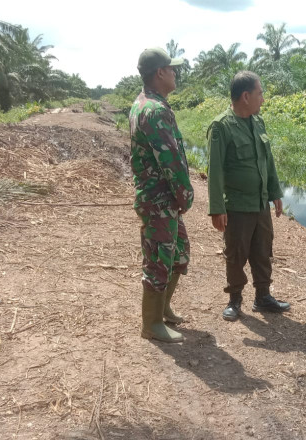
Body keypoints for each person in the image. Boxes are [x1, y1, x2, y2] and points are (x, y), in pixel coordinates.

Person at [207, 71, 291, 321]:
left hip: (260, 203)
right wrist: (217, 208)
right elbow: (215, 171)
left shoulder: (258, 122)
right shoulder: (221, 127)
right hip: (237, 206)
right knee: (236, 253)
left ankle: (263, 297)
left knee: (263, 249)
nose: (262, 99)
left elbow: (268, 161)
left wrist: (275, 192)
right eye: (260, 93)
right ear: (246, 96)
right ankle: (234, 299)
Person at [130, 47, 193, 343]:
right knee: (157, 260)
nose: (175, 73)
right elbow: (171, 162)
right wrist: (185, 194)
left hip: (163, 201)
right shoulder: (153, 110)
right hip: (158, 202)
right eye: (172, 69)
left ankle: (163, 309)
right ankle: (151, 323)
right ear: (160, 73)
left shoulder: (150, 104)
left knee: (178, 254)